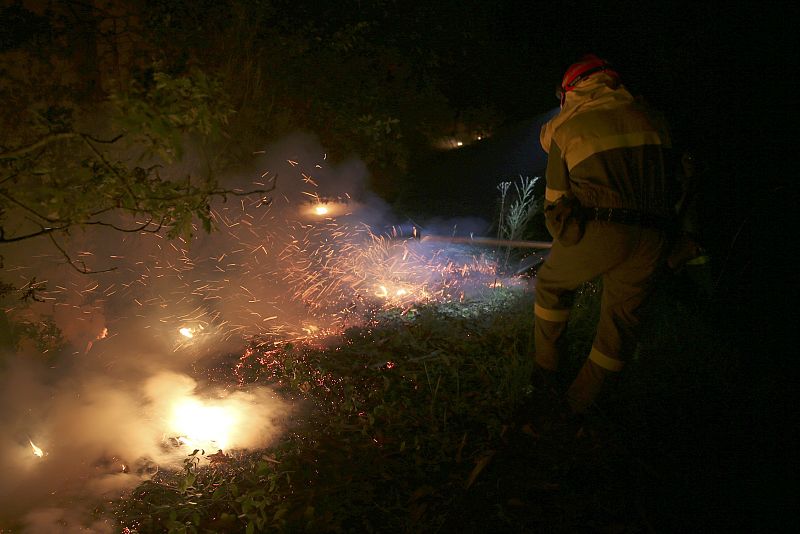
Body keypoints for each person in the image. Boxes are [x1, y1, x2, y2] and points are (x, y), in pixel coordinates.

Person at [533, 54, 676, 414]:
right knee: (620, 323)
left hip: (602, 227)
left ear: (570, 92)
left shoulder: (569, 128)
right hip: (654, 235)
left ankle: (546, 376)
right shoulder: (652, 118)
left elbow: (556, 205)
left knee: (551, 284)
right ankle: (583, 404)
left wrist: (567, 243)